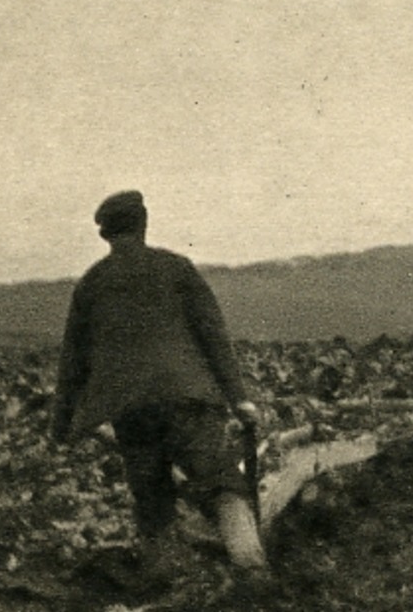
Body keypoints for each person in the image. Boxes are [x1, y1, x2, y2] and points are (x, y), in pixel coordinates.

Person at [51, 190, 268, 581]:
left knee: (151, 499)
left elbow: (72, 363)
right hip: (188, 400)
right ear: (144, 224)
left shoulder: (91, 284)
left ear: (105, 235)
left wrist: (61, 426)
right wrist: (240, 399)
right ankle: (251, 568)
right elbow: (213, 336)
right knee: (222, 481)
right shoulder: (177, 269)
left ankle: (162, 583)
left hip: (131, 412)